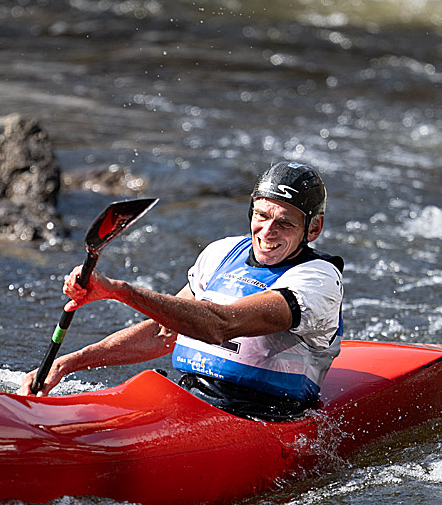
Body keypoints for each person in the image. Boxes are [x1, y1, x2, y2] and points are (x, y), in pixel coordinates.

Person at [19, 161, 344, 420]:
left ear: (313, 228)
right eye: (261, 215)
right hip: (190, 399)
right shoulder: (221, 253)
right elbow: (164, 332)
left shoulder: (318, 280)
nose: (268, 231)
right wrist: (67, 364)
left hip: (261, 417)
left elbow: (220, 324)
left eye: (285, 222)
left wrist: (121, 291)